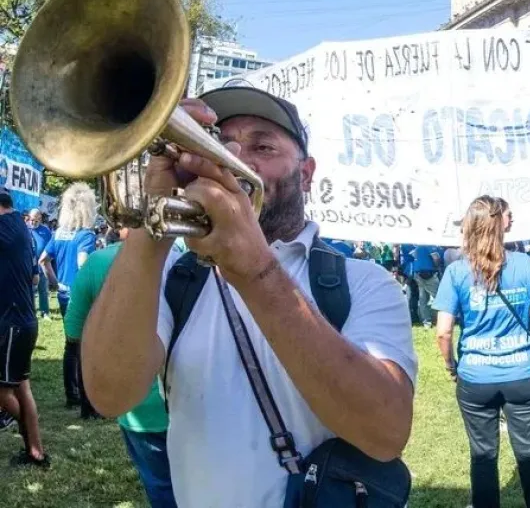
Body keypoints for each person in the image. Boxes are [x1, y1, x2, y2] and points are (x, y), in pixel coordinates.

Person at [81, 88, 417, 508]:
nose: (236, 158)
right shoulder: (174, 277)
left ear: (306, 173)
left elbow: (386, 433)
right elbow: (108, 393)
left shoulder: (365, 281)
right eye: (221, 143)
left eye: (263, 146)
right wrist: (151, 223)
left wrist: (255, 269)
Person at [434, 196, 530, 508]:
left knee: (483, 454)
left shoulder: (456, 271)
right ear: (498, 224)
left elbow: (443, 331)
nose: (513, 219)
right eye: (509, 215)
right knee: (529, 450)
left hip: (475, 377)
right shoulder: (525, 264)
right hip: (523, 373)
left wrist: (451, 365)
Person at [65, 225, 176, 506]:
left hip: (139, 411)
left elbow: (73, 331)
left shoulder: (95, 262)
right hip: (186, 402)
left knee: (162, 490)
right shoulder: (181, 254)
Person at [40, 182, 98, 408]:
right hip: (81, 296)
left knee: (70, 345)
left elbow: (43, 260)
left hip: (64, 294)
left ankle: (71, 395)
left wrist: (55, 282)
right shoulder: (86, 235)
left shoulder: (59, 233)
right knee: (85, 346)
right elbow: (83, 263)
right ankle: (86, 399)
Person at [0, 191, 48, 466]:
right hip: (22, 321)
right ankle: (36, 451)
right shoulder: (19, 224)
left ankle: (28, 433)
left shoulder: (5, 227)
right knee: (21, 388)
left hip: (13, 323)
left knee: (3, 392)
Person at [26, 211, 51, 320]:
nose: (33, 222)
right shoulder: (25, 229)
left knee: (43, 289)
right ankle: (31, 312)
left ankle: (45, 312)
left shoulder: (46, 230)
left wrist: (48, 260)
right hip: (28, 266)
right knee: (29, 290)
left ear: (40, 219)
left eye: (36, 220)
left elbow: (51, 246)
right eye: (32, 220)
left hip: (42, 265)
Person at [412, 243, 443, 327]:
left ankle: (426, 322)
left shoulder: (418, 246)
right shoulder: (429, 244)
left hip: (418, 273)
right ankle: (442, 320)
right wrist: (438, 268)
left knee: (423, 299)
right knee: (439, 297)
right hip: (429, 274)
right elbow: (436, 258)